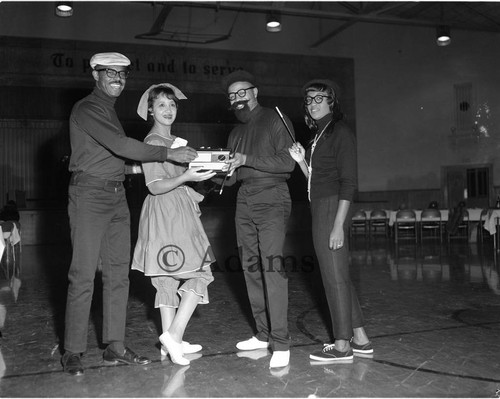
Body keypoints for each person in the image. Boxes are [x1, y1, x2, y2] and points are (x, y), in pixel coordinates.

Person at [62, 52, 198, 376]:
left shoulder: (108, 112)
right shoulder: (88, 108)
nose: (117, 79)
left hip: (116, 196)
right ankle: (72, 351)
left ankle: (114, 347)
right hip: (89, 197)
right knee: (82, 275)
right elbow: (121, 144)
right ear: (95, 74)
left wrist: (139, 168)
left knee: (118, 275)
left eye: (122, 74)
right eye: (110, 73)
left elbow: (112, 155)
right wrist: (168, 152)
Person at [288, 79, 373, 362]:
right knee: (340, 278)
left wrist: (338, 225)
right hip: (320, 206)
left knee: (333, 278)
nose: (313, 104)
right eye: (309, 100)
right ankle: (360, 338)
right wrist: (301, 160)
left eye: (319, 98)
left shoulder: (340, 133)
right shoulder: (319, 136)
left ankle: (341, 345)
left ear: (331, 102)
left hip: (332, 209)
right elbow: (318, 181)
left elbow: (348, 184)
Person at [131, 83, 216, 366]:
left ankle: (171, 343)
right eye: (162, 105)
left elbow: (186, 176)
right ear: (151, 110)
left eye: (172, 105)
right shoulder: (153, 143)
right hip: (167, 211)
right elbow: (155, 186)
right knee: (200, 269)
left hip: (174, 210)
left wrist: (206, 171)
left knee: (166, 278)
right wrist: (187, 177)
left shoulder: (175, 142)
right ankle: (175, 335)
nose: (168, 110)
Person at [220, 70, 295, 369]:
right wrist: (208, 175)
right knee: (251, 269)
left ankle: (282, 342)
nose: (237, 99)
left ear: (255, 92)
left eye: (242, 93)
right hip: (245, 200)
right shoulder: (235, 133)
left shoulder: (276, 119)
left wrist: (246, 160)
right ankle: (262, 334)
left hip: (273, 197)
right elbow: (233, 177)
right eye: (231, 96)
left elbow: (288, 162)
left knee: (272, 269)